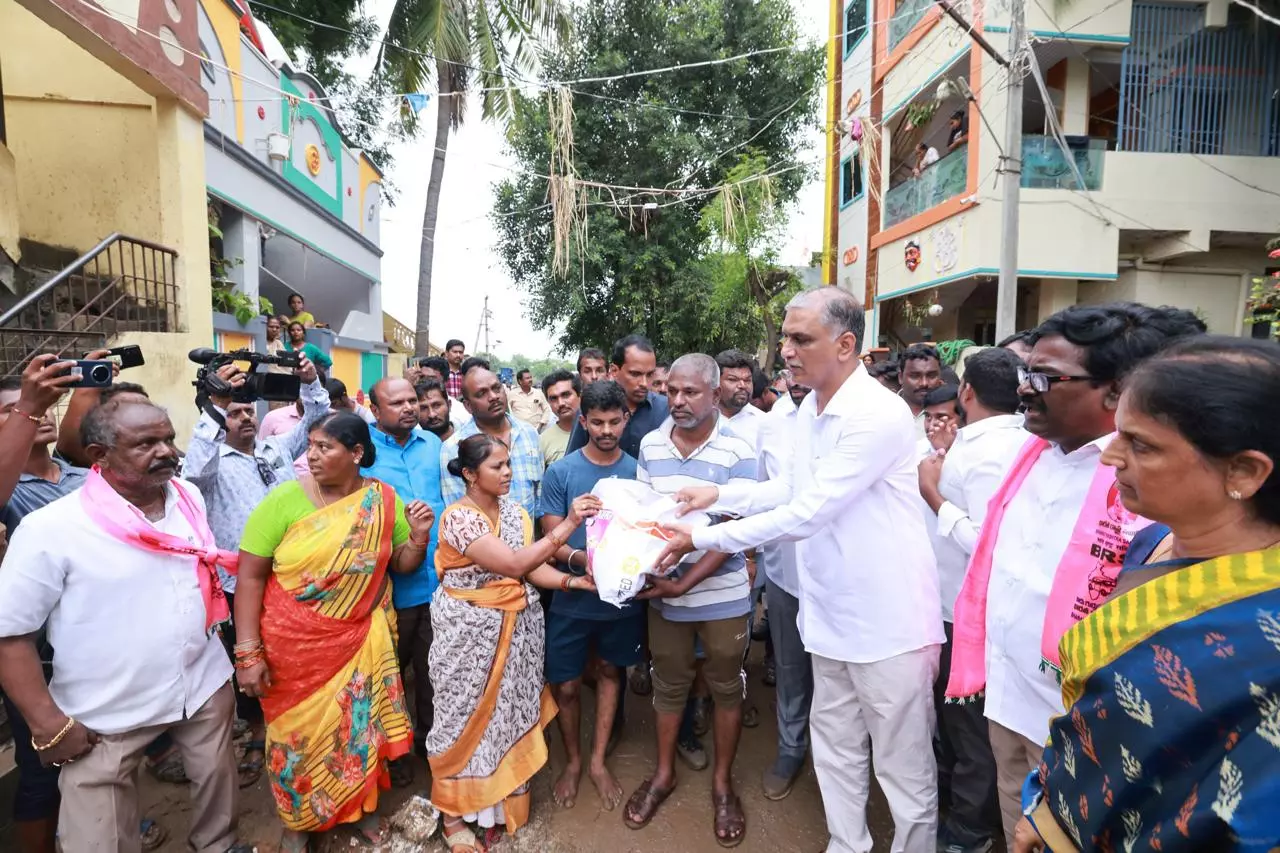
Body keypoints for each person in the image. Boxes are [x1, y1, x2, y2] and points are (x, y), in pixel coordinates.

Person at [657, 289, 945, 853]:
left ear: (844, 345)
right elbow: (789, 488)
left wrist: (703, 534)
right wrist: (718, 491)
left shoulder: (877, 414)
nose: (785, 351)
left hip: (888, 626)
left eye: (800, 339)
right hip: (829, 616)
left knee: (903, 769)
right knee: (835, 747)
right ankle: (847, 844)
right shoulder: (810, 410)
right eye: (785, 337)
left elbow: (808, 514)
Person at [943, 303, 1205, 851]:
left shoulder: (1149, 488)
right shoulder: (1026, 452)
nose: (1024, 390)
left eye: (1045, 377)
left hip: (1088, 725)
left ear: (1116, 391)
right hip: (1009, 695)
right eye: (1024, 374)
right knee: (1018, 817)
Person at [1012, 336, 1280, 853]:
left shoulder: (1266, 630)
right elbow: (1094, 722)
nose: (1111, 456)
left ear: (1244, 472)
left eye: (1141, 444)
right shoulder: (1150, 543)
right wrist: (1045, 811)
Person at [0, 398, 254, 853]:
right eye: (146, 444)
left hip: (200, 684)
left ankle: (218, 844)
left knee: (218, 785)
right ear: (100, 455)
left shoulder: (188, 497)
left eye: (169, 438)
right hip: (104, 712)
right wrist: (48, 724)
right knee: (100, 837)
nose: (167, 452)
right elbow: (9, 634)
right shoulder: (51, 529)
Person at [233, 412, 436, 851]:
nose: (312, 455)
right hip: (292, 649)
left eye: (325, 447)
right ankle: (298, 820)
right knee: (295, 738)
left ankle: (362, 810)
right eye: (311, 446)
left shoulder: (383, 500)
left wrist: (418, 537)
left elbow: (399, 564)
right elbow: (249, 577)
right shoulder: (283, 501)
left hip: (358, 641)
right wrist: (248, 654)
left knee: (358, 731)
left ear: (357, 453)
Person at [430, 434, 601, 852]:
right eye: (496, 467)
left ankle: (500, 801)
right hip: (467, 635)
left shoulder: (513, 512)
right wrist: (570, 524)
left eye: (508, 465)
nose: (507, 473)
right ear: (470, 474)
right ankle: (455, 816)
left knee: (507, 714)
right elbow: (512, 563)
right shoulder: (458, 517)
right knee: (461, 720)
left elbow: (529, 569)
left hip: (518, 631)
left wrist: (571, 581)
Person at [621, 354, 758, 848]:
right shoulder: (652, 444)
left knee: (725, 687)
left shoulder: (739, 452)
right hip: (665, 599)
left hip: (721, 598)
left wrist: (685, 582)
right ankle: (663, 775)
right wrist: (645, 571)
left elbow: (736, 531)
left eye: (689, 393)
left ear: (715, 394)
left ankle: (723, 785)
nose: (676, 401)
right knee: (668, 684)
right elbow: (642, 517)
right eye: (671, 391)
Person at [182, 354, 325, 788]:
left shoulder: (275, 448)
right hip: (239, 584)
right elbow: (191, 474)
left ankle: (302, 723)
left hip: (298, 575)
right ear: (218, 418)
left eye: (248, 411)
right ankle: (262, 735)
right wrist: (216, 406)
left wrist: (310, 380)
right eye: (234, 413)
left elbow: (317, 415)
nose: (244, 418)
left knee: (296, 655)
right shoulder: (209, 466)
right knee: (249, 657)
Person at [917, 348, 1028, 853]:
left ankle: (969, 829)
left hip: (966, 614)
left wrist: (934, 495)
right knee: (963, 723)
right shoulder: (1022, 439)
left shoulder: (985, 450)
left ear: (966, 393)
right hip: (970, 609)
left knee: (969, 727)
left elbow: (987, 539)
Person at [538, 380, 644, 812]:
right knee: (564, 683)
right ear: (583, 421)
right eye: (596, 421)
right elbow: (549, 537)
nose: (605, 429)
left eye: (613, 421)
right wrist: (584, 562)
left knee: (608, 672)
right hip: (573, 594)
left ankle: (598, 761)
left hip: (621, 598)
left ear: (626, 419)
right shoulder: (562, 472)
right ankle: (574, 761)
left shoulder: (639, 471)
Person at [361, 377, 447, 787]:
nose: (409, 408)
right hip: (388, 589)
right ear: (376, 411)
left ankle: (429, 746)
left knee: (433, 673)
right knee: (388, 674)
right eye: (396, 403)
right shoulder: (364, 455)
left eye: (412, 400)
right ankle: (389, 754)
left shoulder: (434, 445)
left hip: (439, 584)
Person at [758, 378, 814, 802]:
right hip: (786, 574)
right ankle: (791, 748)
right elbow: (767, 492)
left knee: (839, 680)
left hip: (841, 584)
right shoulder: (774, 423)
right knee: (791, 670)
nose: (796, 377)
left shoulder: (869, 415)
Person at [442, 365, 543, 518]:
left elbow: (538, 497)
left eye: (497, 388)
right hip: (481, 540)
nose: (493, 396)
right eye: (482, 393)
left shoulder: (529, 433)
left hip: (531, 539)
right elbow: (458, 514)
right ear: (468, 406)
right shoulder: (453, 448)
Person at [567, 334, 669, 459]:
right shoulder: (590, 406)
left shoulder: (666, 410)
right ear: (614, 371)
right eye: (635, 374)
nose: (644, 383)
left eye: (650, 375)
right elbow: (572, 462)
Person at [715, 349, 763, 451]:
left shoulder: (765, 423)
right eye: (732, 379)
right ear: (716, 382)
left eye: (747, 380)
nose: (742, 385)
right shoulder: (701, 418)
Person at [898, 343, 944, 436]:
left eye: (931, 375)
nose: (924, 383)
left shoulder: (953, 413)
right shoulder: (883, 410)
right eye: (915, 376)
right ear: (900, 377)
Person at [539, 369, 581, 466]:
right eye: (553, 398)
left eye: (566, 395)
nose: (561, 403)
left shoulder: (597, 432)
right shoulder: (542, 441)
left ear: (580, 395)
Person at [922, 384, 961, 454]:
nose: (931, 426)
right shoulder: (913, 452)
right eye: (928, 416)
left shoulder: (978, 452)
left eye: (941, 418)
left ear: (963, 418)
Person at [417, 378, 458, 443]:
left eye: (437, 405)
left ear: (449, 405)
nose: (432, 415)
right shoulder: (411, 447)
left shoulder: (468, 437)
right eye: (423, 408)